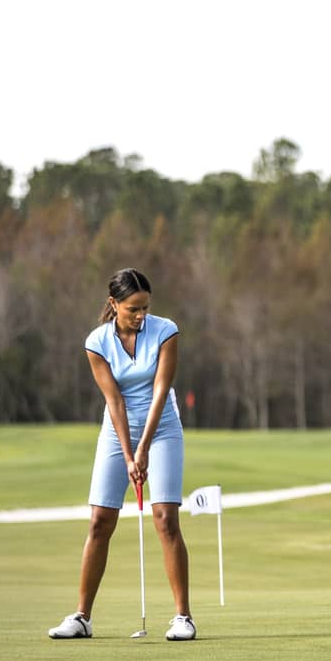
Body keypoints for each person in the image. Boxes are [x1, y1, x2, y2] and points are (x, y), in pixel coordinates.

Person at [49, 269, 195, 641]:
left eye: (145, 308)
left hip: (161, 428)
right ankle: (82, 617)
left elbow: (161, 390)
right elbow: (113, 400)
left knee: (165, 519)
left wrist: (144, 448)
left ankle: (183, 618)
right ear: (113, 304)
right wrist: (129, 455)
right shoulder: (96, 342)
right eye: (133, 309)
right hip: (117, 433)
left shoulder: (166, 331)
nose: (141, 315)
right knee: (100, 520)